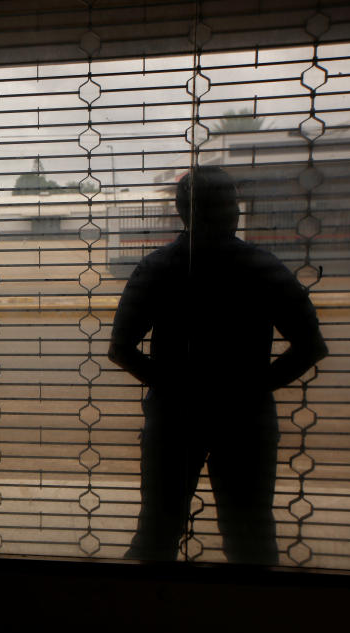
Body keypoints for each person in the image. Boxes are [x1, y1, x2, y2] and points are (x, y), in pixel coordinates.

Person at [108, 166, 328, 564]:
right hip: (245, 420)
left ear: (182, 212)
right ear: (234, 212)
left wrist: (174, 387)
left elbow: (121, 348)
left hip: (174, 419)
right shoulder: (261, 267)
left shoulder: (158, 267)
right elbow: (310, 345)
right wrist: (253, 388)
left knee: (157, 532)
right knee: (250, 539)